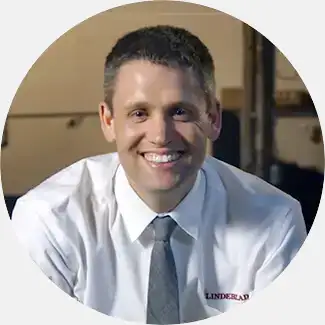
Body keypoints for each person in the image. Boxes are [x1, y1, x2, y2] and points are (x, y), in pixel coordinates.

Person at [11, 25, 307, 324]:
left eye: (179, 112)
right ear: (108, 121)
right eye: (139, 113)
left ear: (213, 120)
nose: (161, 136)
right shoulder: (49, 221)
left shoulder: (274, 222)